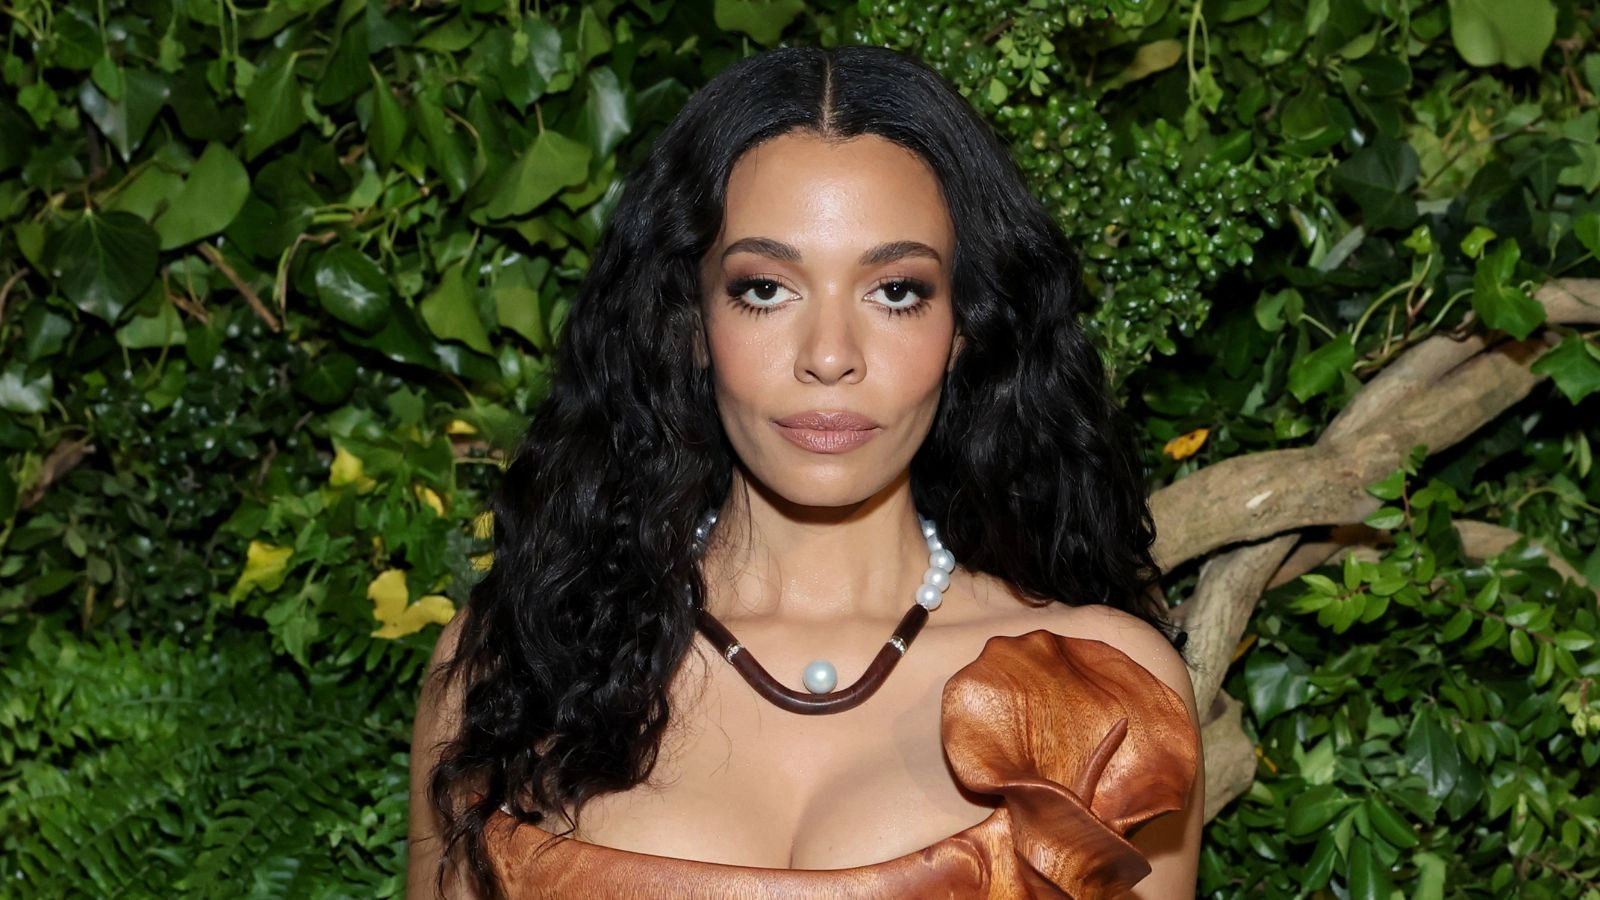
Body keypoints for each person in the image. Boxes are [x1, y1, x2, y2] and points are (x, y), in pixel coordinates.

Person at [408, 44, 1203, 899]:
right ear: (689, 321)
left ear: (966, 329)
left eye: (895, 291)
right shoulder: (516, 666)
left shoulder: (1102, 693)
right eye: (765, 289)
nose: (829, 356)